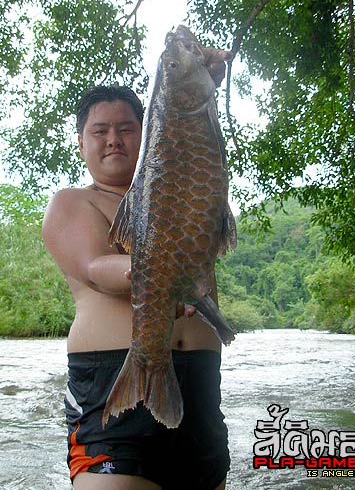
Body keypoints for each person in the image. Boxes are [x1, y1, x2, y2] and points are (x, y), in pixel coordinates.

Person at [42, 45, 232, 490]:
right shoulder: (73, 202)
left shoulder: (180, 197)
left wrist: (200, 87)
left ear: (147, 133)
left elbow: (201, 153)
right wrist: (162, 273)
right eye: (100, 130)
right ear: (81, 142)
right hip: (112, 377)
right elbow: (96, 266)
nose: (114, 139)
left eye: (127, 129)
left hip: (200, 383)